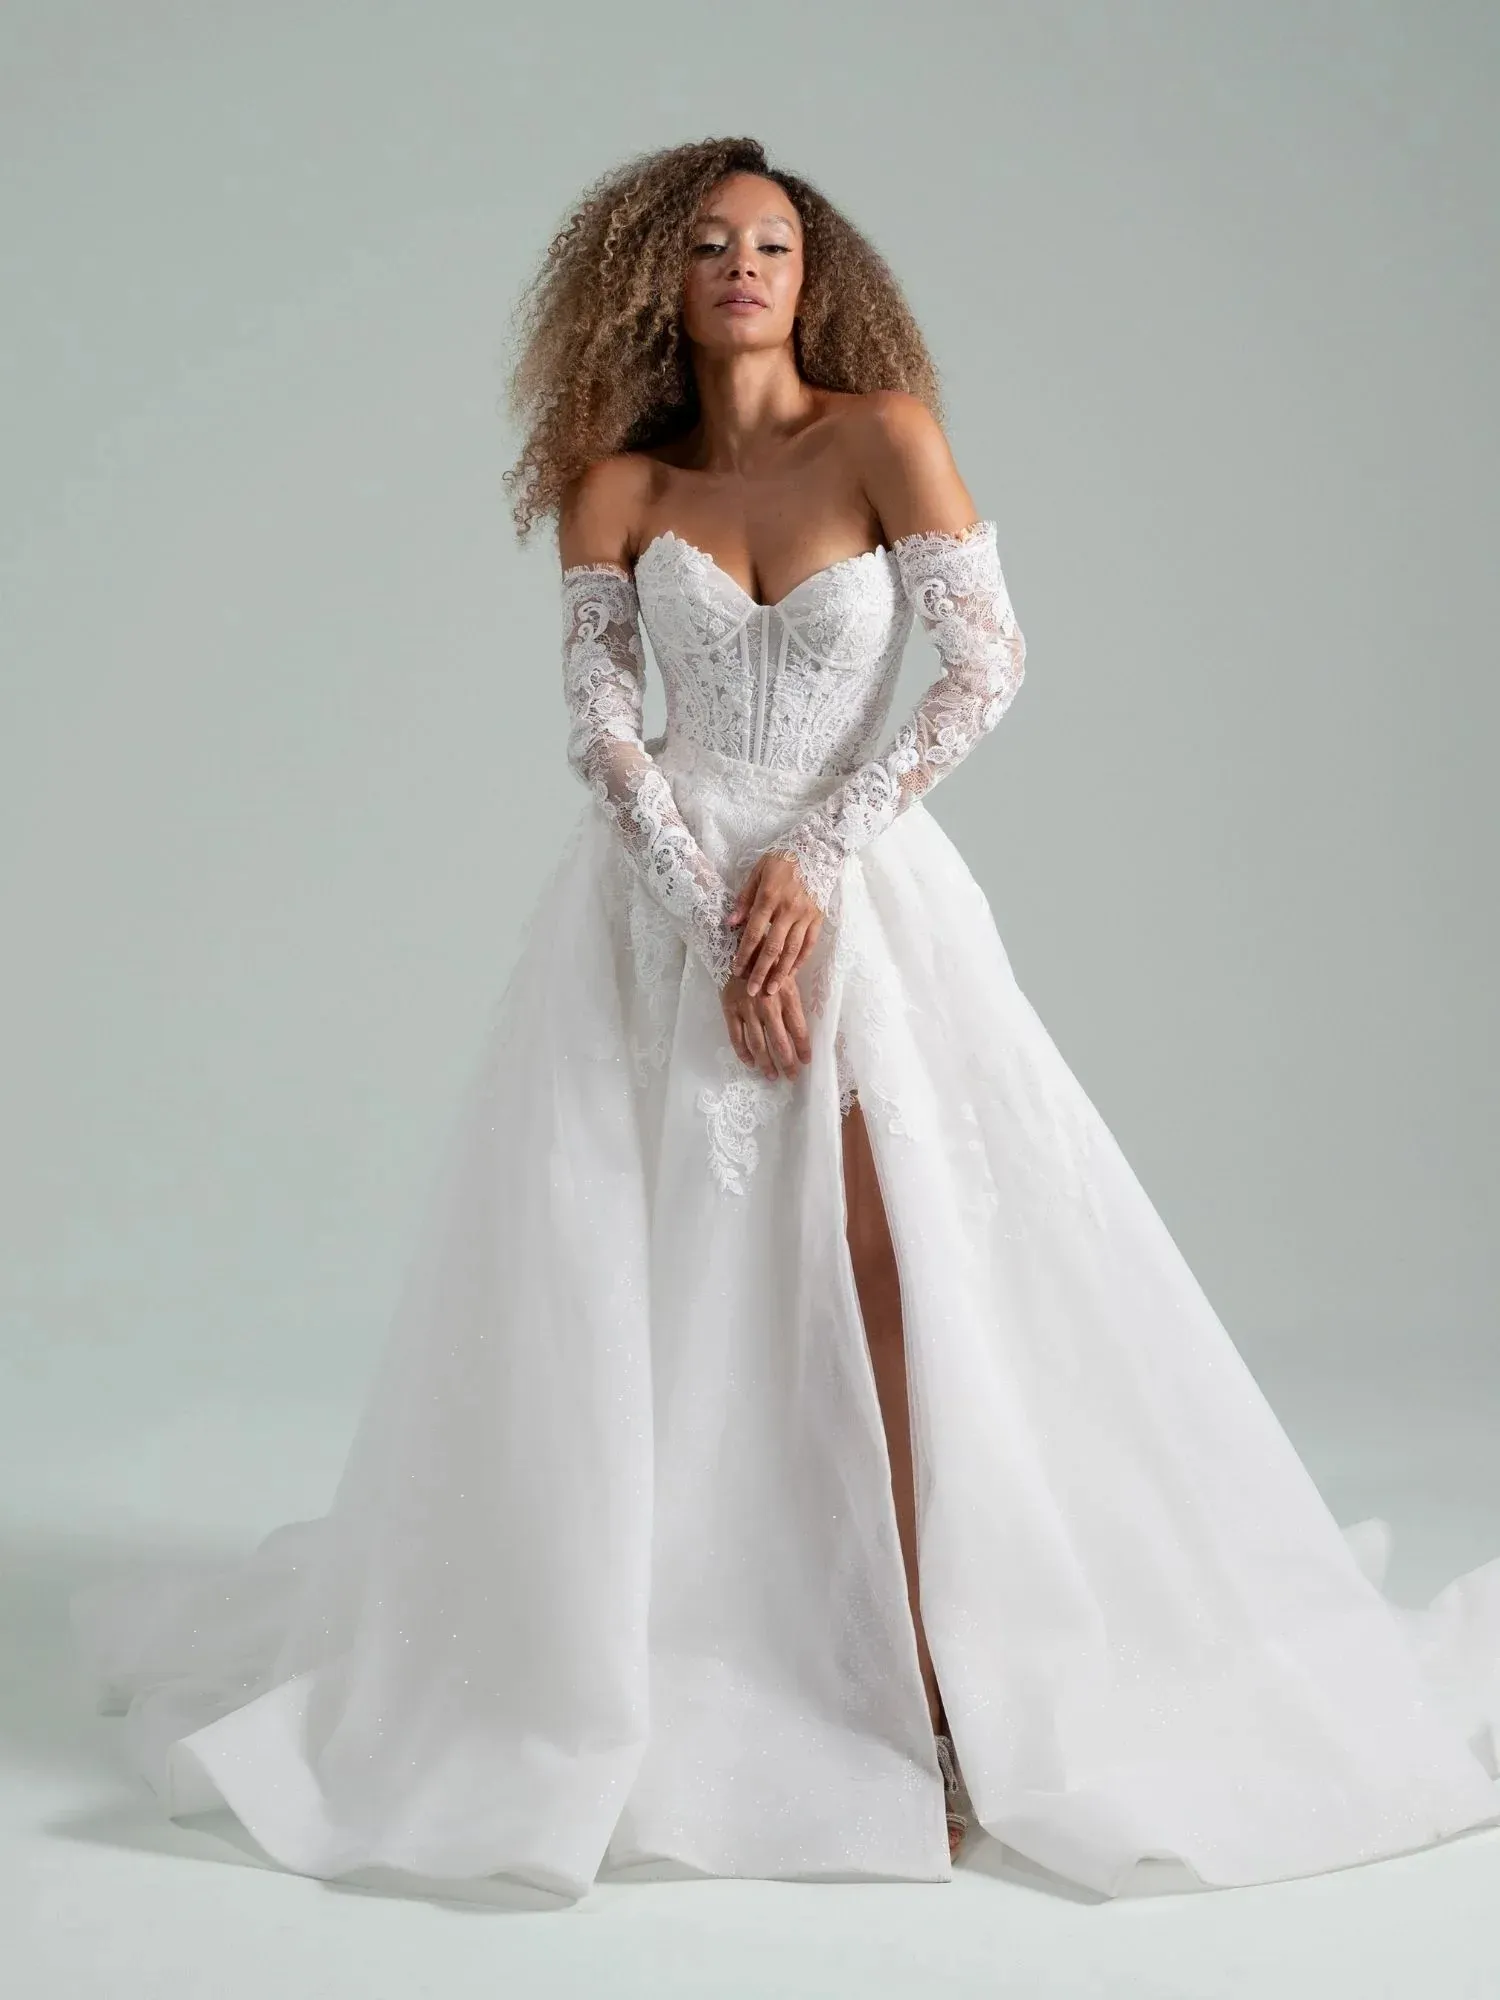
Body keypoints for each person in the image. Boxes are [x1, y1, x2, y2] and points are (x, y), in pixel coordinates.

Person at [71, 136, 1500, 1903]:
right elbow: (601, 725)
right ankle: (667, 1667)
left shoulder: (883, 435)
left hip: (859, 898)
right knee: (638, 1281)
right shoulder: (618, 481)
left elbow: (988, 664)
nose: (745, 267)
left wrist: (817, 862)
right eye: (710, 244)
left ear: (812, 276)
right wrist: (710, 917)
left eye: (773, 243)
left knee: (894, 1272)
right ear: (657, 279)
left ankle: (935, 1688)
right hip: (661, 907)